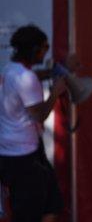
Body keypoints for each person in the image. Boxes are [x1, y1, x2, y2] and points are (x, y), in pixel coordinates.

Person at [0, 25, 67, 222]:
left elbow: (27, 78)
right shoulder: (27, 78)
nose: (46, 50)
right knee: (29, 213)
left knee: (52, 203)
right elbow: (39, 115)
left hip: (14, 152)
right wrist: (55, 92)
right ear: (33, 50)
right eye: (44, 47)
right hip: (24, 158)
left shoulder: (10, 69)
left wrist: (48, 73)